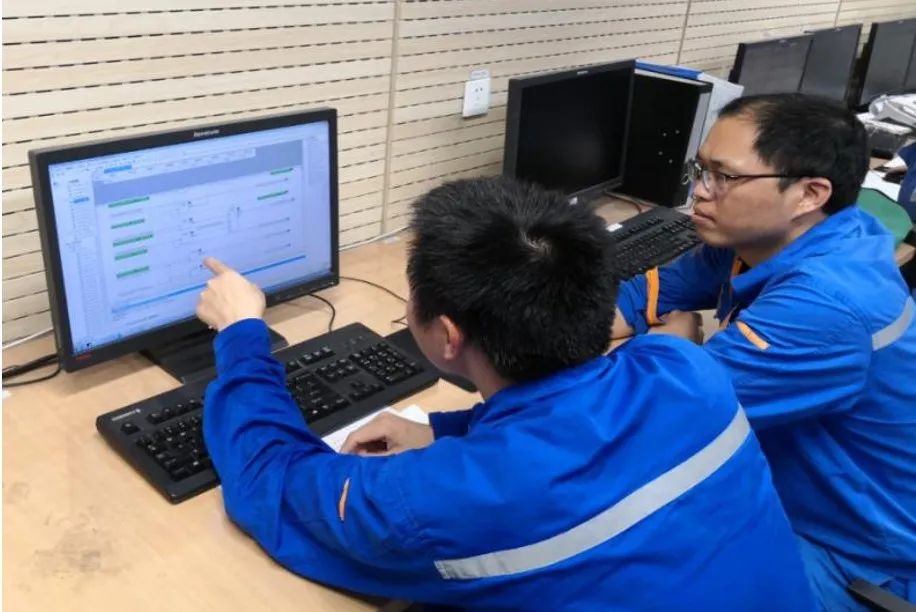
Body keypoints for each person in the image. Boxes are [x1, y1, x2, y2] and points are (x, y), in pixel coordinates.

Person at [197, 176, 813, 610]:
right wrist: (443, 430)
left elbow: (267, 480)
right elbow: (571, 419)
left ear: (446, 336)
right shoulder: (685, 369)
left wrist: (242, 331)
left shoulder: (440, 501)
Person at [613, 94, 916, 610]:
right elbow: (638, 298)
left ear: (809, 194)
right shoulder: (772, 240)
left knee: (608, 566)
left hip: (852, 554)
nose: (699, 192)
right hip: (786, 486)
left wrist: (674, 345)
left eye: (724, 177)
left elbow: (661, 414)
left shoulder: (826, 304)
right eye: (700, 170)